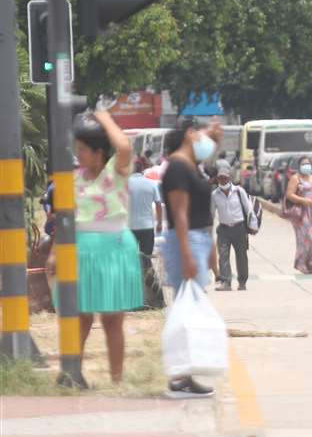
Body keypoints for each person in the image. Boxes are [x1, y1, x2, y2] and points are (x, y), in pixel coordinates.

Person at [56, 109, 144, 384]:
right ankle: (72, 373)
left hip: (113, 250)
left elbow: (124, 146)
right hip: (81, 252)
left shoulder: (115, 171)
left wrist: (104, 118)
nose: (78, 154)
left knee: (112, 319)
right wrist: (54, 252)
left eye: (82, 149)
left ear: (98, 152)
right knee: (79, 318)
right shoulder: (73, 178)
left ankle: (116, 379)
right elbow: (64, 219)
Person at [160, 117, 221, 398]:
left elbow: (202, 211)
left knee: (192, 307)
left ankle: (186, 372)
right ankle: (181, 375)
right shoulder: (177, 169)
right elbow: (180, 215)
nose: (204, 140)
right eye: (200, 134)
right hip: (186, 241)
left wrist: (210, 248)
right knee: (186, 310)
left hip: (198, 240)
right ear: (188, 134)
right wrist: (187, 254)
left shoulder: (192, 167)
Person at [128, 158, 165, 308]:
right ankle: (156, 298)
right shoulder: (150, 183)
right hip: (147, 227)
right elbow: (158, 204)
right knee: (146, 262)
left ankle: (133, 299)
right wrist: (160, 223)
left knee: (130, 263)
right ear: (142, 168)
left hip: (129, 228)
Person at [211, 162, 252, 291]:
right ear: (217, 179)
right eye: (220, 178)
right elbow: (211, 213)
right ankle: (226, 282)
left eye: (225, 178)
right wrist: (208, 230)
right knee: (223, 255)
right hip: (223, 229)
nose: (223, 181)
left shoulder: (239, 191)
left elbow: (249, 209)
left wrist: (253, 226)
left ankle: (242, 282)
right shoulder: (214, 195)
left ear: (230, 178)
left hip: (239, 228)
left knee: (241, 256)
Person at [285, 156, 312, 274]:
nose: (306, 166)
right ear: (299, 166)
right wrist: (303, 200)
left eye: (308, 163)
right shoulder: (295, 178)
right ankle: (300, 263)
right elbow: (289, 194)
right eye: (304, 164)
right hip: (302, 212)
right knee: (308, 237)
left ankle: (310, 264)